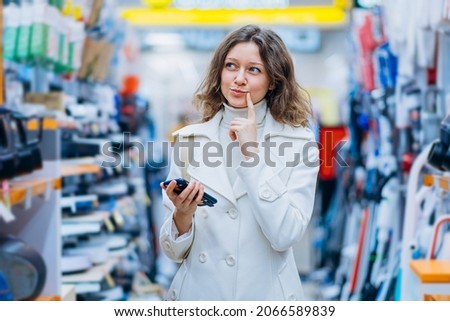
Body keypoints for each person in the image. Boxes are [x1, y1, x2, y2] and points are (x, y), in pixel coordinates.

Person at [159, 24, 319, 301]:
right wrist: (182, 215)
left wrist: (252, 156)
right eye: (231, 66)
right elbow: (173, 253)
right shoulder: (189, 140)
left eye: (253, 70)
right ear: (219, 72)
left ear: (273, 80)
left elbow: (286, 235)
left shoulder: (299, 142)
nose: (239, 78)